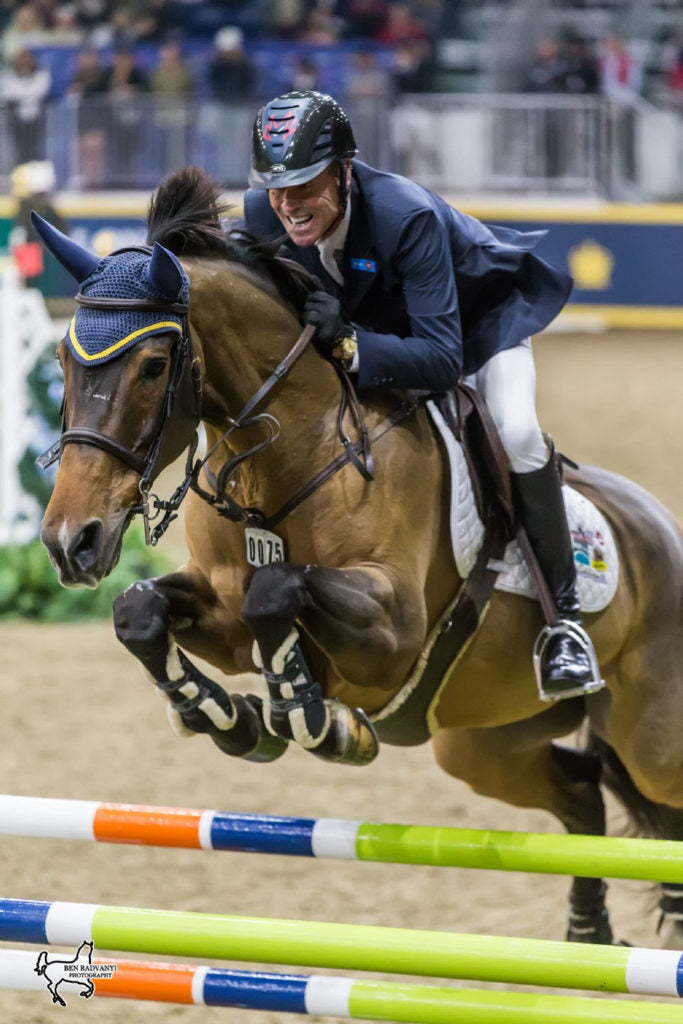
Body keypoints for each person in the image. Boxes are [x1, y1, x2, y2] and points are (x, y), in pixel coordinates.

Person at [242, 90, 604, 703]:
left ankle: (563, 623)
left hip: (475, 329)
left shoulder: (403, 216)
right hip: (390, 331)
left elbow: (439, 360)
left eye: (304, 185)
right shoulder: (263, 213)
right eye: (277, 188)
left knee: (515, 431)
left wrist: (353, 343)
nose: (288, 204)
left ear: (344, 171)